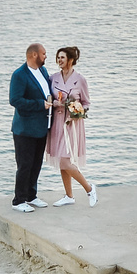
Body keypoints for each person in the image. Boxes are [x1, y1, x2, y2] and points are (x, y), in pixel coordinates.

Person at [46, 45, 96, 206]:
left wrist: (78, 110)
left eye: (62, 57)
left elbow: (86, 103)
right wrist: (55, 102)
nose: (59, 60)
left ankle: (89, 189)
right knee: (62, 159)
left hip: (72, 125)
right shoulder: (53, 78)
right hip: (57, 123)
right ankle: (69, 196)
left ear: (71, 60)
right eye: (58, 57)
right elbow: (48, 99)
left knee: (66, 160)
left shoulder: (80, 80)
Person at [7, 42, 54, 211]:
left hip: (41, 126)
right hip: (24, 129)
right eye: (43, 53)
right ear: (34, 55)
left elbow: (46, 92)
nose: (46, 56)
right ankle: (19, 201)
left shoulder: (43, 71)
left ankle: (31, 196)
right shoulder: (19, 75)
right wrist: (39, 104)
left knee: (36, 163)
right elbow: (15, 100)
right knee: (25, 164)